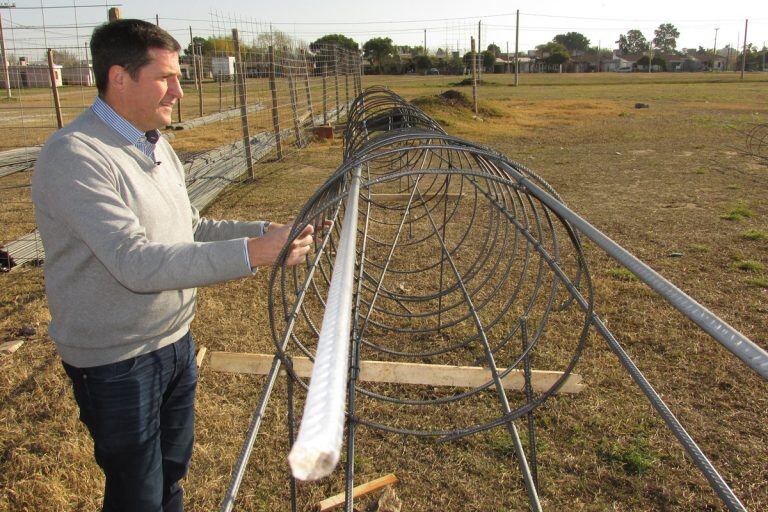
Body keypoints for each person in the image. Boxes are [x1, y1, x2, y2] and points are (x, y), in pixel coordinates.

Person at [31, 19, 315, 512]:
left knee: (170, 476)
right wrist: (254, 253)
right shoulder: (75, 156)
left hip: (175, 343)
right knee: (137, 494)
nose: (180, 91)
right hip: (117, 361)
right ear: (119, 78)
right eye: (167, 77)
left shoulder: (155, 144)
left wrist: (266, 231)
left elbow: (193, 228)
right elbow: (134, 263)